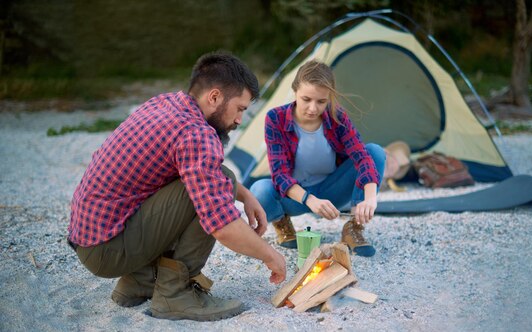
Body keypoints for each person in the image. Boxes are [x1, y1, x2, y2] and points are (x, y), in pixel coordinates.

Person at [67, 51, 286, 322]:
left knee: (219, 180)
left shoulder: (167, 103)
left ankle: (140, 280)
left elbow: (205, 172)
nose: (240, 120)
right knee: (218, 188)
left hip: (94, 239)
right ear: (215, 97)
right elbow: (222, 225)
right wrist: (271, 255)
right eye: (240, 109)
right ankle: (174, 294)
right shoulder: (196, 134)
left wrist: (246, 194)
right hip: (107, 250)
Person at [250, 60, 386, 257]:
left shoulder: (337, 117)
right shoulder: (275, 118)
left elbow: (363, 158)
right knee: (259, 190)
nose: (313, 108)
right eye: (306, 99)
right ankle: (282, 222)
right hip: (297, 197)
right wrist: (310, 200)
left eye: (321, 102)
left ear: (328, 98)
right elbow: (279, 175)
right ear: (295, 91)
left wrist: (370, 198)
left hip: (332, 191)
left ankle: (354, 228)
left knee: (375, 151)